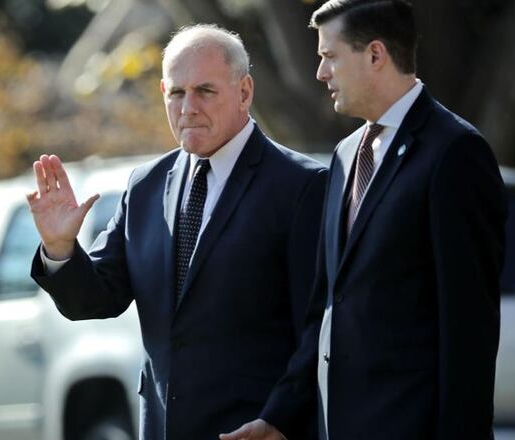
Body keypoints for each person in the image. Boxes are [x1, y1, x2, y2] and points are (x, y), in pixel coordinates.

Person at [221, 1, 507, 439]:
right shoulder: (345, 154)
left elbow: (469, 329)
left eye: (329, 56)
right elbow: (327, 307)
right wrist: (279, 415)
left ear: (375, 55)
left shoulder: (455, 153)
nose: (320, 72)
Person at [26, 24, 326, 440]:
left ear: (244, 92)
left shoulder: (302, 185)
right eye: (177, 93)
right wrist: (59, 249)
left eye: (205, 90)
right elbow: (96, 299)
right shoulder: (146, 185)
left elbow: (320, 325)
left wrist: (282, 417)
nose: (188, 107)